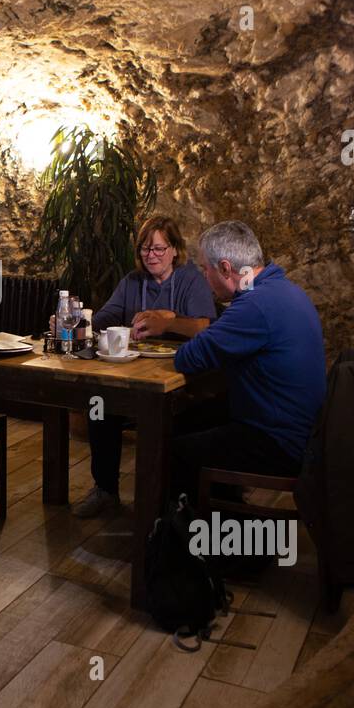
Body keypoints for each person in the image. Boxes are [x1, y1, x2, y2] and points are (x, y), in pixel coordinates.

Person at [168, 220, 326, 504]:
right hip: (303, 431)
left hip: (280, 442)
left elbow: (187, 358)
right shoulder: (285, 290)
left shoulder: (254, 305)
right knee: (189, 419)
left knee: (178, 451)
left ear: (226, 269)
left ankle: (192, 540)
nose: (205, 276)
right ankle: (225, 512)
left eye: (206, 268)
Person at [72, 215, 216, 518]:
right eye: (145, 250)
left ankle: (165, 502)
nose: (151, 256)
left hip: (181, 376)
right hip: (136, 370)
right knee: (101, 405)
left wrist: (168, 323)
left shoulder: (192, 279)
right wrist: (79, 323)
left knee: (171, 422)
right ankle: (106, 490)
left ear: (175, 250)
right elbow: (108, 315)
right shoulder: (132, 281)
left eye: (159, 249)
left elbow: (205, 326)